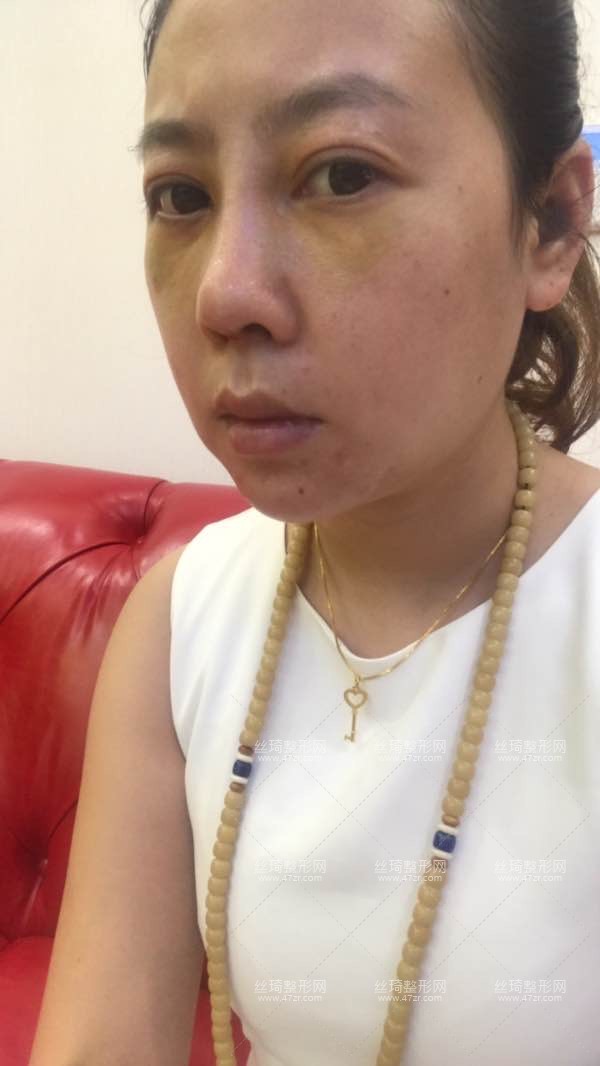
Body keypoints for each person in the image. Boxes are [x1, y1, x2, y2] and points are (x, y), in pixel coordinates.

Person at [29, 1, 600, 1065]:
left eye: (341, 174)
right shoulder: (181, 623)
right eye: (181, 196)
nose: (225, 293)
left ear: (552, 224)